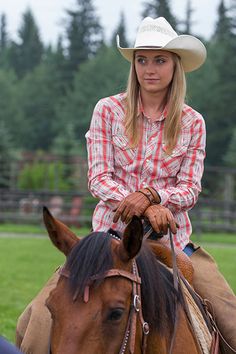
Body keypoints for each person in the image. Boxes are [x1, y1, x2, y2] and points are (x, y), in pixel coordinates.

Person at [86, 16, 236, 353]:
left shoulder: (192, 121)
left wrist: (153, 195)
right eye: (142, 60)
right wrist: (143, 202)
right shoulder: (108, 111)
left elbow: (190, 189)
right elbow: (98, 178)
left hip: (170, 241)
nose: (149, 69)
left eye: (159, 60)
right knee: (41, 316)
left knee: (228, 312)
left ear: (175, 65)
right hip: (109, 237)